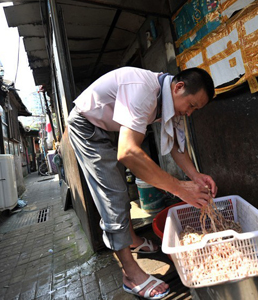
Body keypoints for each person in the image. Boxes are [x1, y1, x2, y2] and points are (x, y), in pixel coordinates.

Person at [67, 66, 217, 299]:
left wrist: (195, 176)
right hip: (87, 124)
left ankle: (133, 240)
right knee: (113, 194)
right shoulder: (144, 90)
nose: (189, 113)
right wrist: (178, 188)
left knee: (118, 189)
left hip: (110, 125)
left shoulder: (170, 99)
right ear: (179, 87)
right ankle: (130, 274)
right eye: (192, 106)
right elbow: (127, 152)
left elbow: (176, 146)